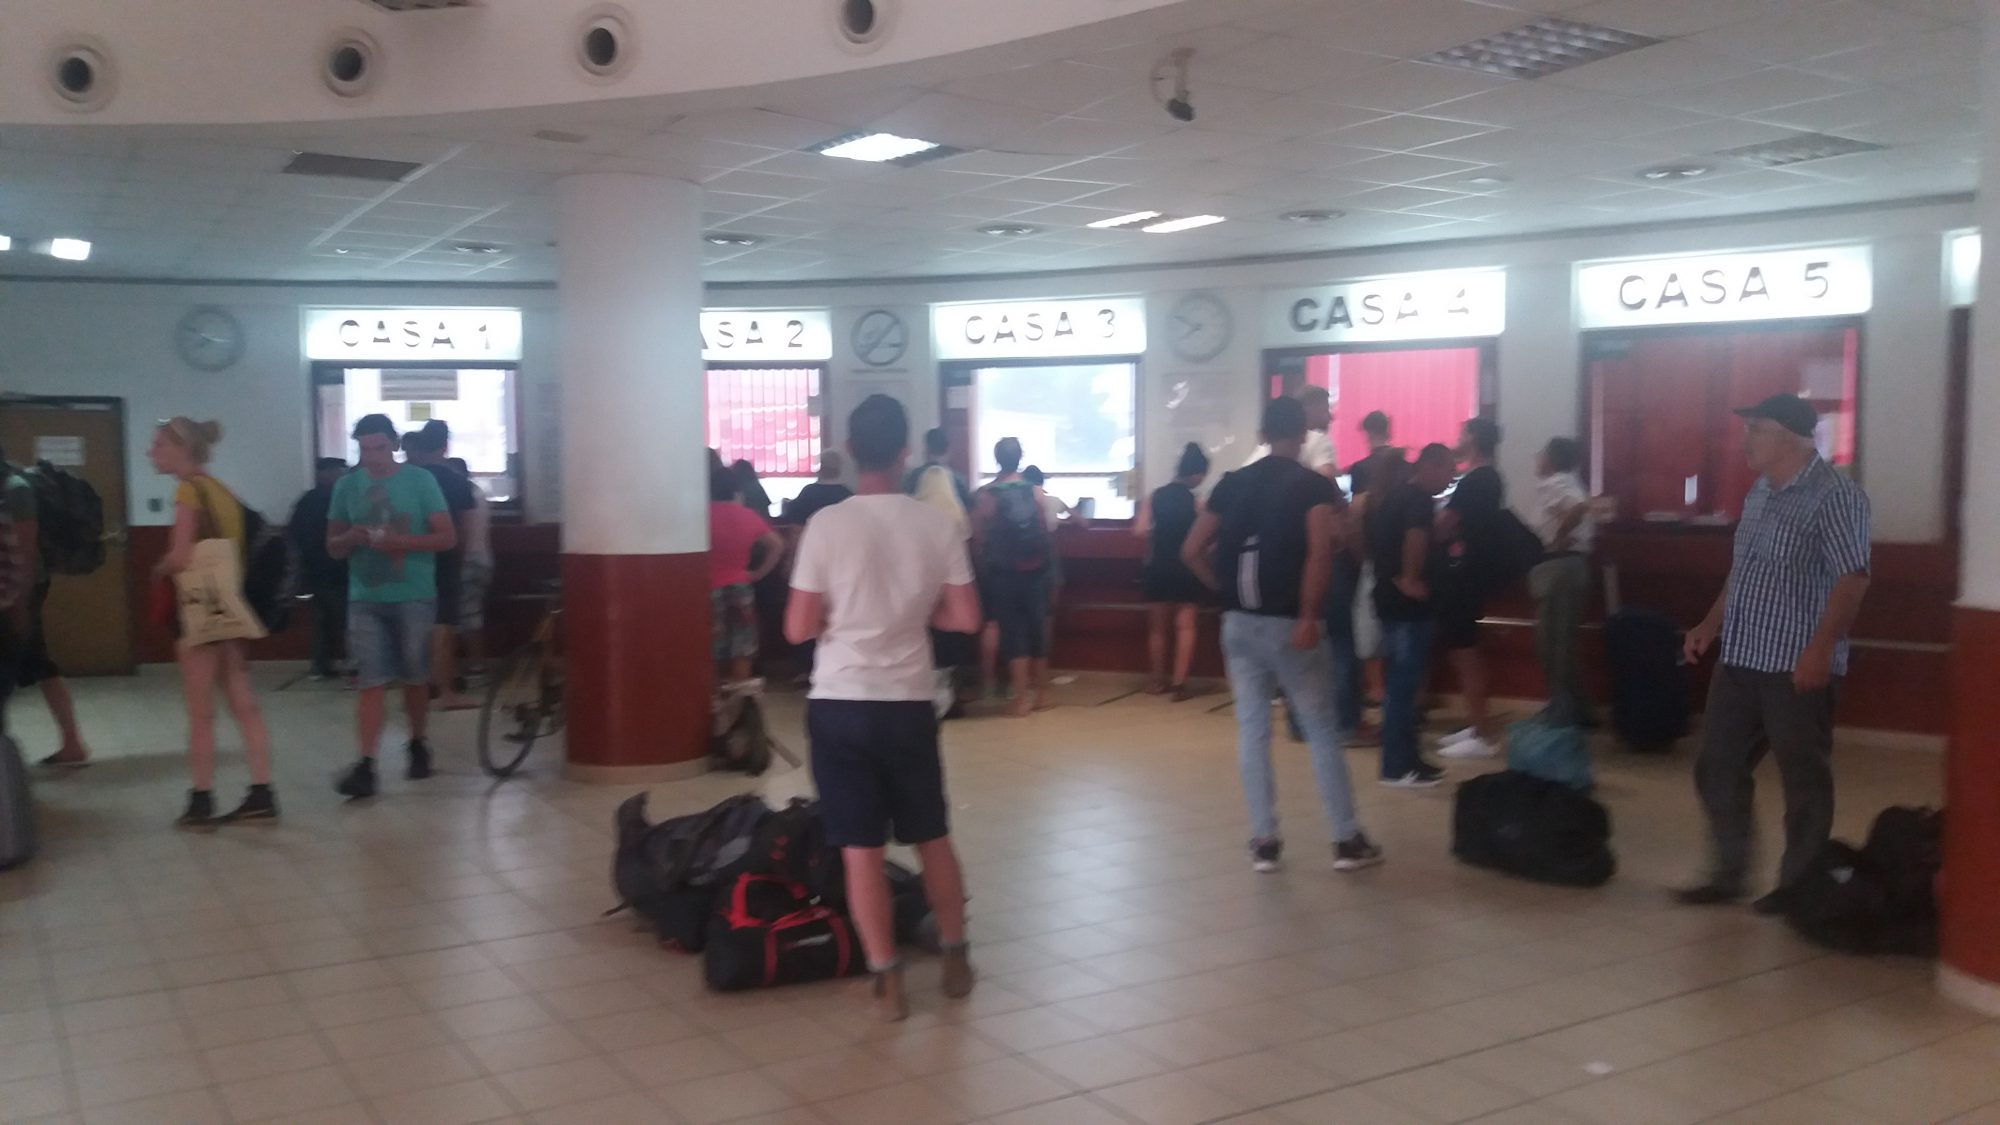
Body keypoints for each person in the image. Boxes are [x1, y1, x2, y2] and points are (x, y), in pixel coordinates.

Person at [785, 394, 979, 1022]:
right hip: (908, 703)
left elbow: (797, 627)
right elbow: (965, 617)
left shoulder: (826, 525)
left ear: (849, 448)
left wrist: (838, 619)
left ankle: (887, 979)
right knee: (932, 836)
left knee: (860, 851)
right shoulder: (937, 525)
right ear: (905, 451)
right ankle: (954, 955)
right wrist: (916, 614)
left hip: (840, 704)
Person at [1678, 394, 1871, 914]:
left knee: (1803, 778)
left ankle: (1798, 886)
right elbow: (1744, 572)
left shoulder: (1836, 496)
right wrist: (1709, 624)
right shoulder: (1760, 492)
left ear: (1791, 437)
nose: (1745, 440)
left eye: (1756, 429)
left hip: (1795, 663)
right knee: (1716, 765)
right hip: (1742, 656)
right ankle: (1729, 874)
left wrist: (1820, 649)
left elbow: (1852, 580)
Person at [1182, 397, 1383, 874]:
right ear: (1303, 434)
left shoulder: (1232, 483)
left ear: (1263, 434)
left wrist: (1223, 589)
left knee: (1252, 731)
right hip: (1291, 622)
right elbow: (1320, 552)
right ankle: (1346, 839)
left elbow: (1190, 550)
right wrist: (1310, 615)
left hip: (1238, 623)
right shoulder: (1311, 485)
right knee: (1320, 728)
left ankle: (1264, 841)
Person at [149, 419, 280, 829]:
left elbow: (181, 556)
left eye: (158, 445)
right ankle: (262, 792)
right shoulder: (223, 490)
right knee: (244, 705)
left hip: (199, 613)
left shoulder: (189, 490)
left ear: (181, 448)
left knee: (201, 712)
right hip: (229, 608)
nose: (151, 452)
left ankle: (201, 800)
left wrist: (158, 569)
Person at [327, 415, 456, 799]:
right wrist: (350, 537)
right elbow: (332, 547)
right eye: (365, 449)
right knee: (371, 680)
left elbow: (447, 537)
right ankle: (366, 763)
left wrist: (402, 542)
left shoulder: (420, 481)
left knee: (415, 675)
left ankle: (417, 741)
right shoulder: (347, 486)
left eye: (380, 448)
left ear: (394, 445)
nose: (373, 457)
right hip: (365, 596)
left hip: (413, 593)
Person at [1370, 443, 1459, 788]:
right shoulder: (1417, 500)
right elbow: (1414, 538)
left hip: (1389, 600)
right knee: (1403, 686)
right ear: (1429, 466)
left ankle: (1408, 759)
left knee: (1402, 684)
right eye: (1448, 470)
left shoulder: (1393, 497)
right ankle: (1397, 766)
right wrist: (1409, 578)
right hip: (1407, 607)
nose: (1450, 478)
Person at [1, 453, 95, 768]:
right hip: (13, 590)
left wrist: (21, 601)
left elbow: (26, 551)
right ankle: (72, 742)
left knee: (30, 662)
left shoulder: (15, 489)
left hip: (21, 590)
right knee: (37, 662)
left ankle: (72, 742)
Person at [1432, 417, 1506, 760]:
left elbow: (1445, 524)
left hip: (1464, 574)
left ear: (1473, 438)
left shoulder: (1477, 479)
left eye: (1462, 433)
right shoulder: (1489, 477)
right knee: (1463, 648)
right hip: (1473, 572)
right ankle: (1477, 725)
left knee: (1465, 651)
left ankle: (1481, 732)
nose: (1457, 439)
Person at [971, 438, 1053, 717]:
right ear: (1021, 458)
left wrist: (982, 565)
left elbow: (978, 536)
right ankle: (1042, 694)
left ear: (997, 459)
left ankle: (1020, 699)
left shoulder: (987, 494)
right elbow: (1047, 529)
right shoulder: (1035, 491)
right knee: (1037, 628)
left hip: (1004, 573)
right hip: (1036, 569)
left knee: (1014, 632)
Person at [404, 423, 477, 710]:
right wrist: (461, 559)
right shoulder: (457, 482)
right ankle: (446, 691)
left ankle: (415, 692)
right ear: (446, 445)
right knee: (442, 626)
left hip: (410, 558)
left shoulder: (408, 479)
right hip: (445, 560)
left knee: (413, 626)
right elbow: (465, 529)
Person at [1528, 437, 1598, 727]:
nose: (1537, 458)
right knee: (1559, 645)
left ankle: (1563, 713)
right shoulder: (1565, 482)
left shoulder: (1558, 482)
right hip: (1565, 569)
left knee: (1553, 646)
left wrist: (1558, 537)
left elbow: (1579, 507)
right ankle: (1574, 710)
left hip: (1560, 569)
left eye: (1541, 454)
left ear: (1552, 459)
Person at [1135, 442, 1209, 701]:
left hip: (1158, 566)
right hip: (1187, 567)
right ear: (1197, 474)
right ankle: (1179, 684)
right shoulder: (1197, 503)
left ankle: (1157, 681)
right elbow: (1207, 535)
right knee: (1185, 627)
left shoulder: (1154, 496)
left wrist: (1158, 534)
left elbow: (1140, 530)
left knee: (1157, 629)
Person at [710, 451, 786, 684]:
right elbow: (777, 545)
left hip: (708, 588)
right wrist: (758, 573)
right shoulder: (747, 516)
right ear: (736, 490)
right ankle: (739, 693)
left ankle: (715, 694)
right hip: (740, 585)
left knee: (712, 644)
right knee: (742, 645)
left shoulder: (701, 517)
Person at [290, 457, 350, 681]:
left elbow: (294, 536)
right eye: (338, 472)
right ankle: (354, 666)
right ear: (325, 473)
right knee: (346, 619)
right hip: (337, 569)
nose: (341, 476)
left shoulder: (307, 500)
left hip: (314, 570)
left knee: (321, 620)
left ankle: (320, 666)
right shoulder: (336, 499)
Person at [447, 456, 493, 679]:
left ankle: (473, 665)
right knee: (471, 613)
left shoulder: (464, 494)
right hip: (481, 558)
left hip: (467, 559)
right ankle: (475, 664)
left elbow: (461, 533)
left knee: (465, 615)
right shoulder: (476, 492)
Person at [1243, 385, 1337, 478]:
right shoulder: (1319, 440)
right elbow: (1327, 477)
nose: (1330, 417)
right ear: (1307, 411)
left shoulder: (1262, 450)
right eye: (1325, 410)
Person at [786, 450, 853, 526]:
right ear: (838, 470)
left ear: (820, 468)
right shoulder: (846, 494)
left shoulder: (809, 492)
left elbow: (794, 520)